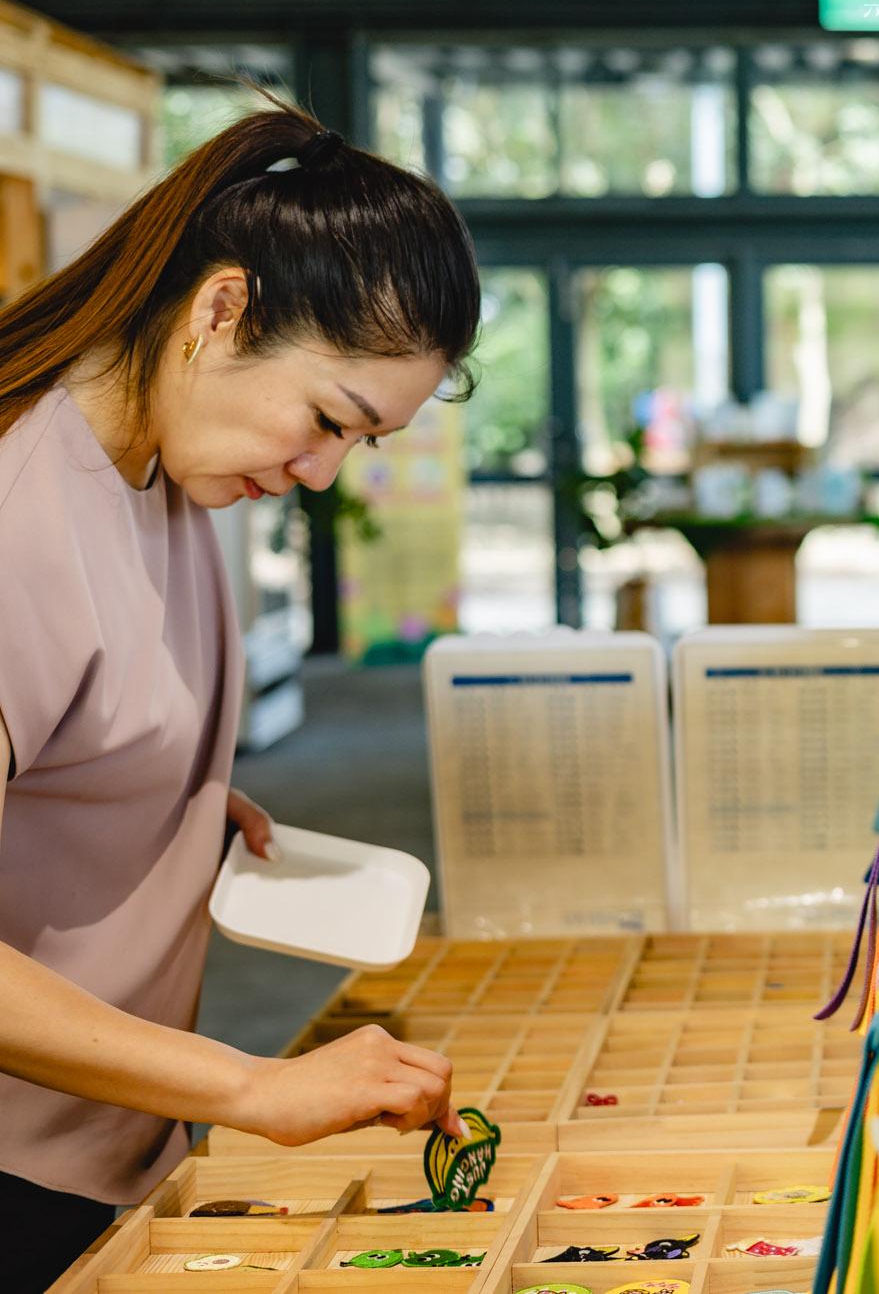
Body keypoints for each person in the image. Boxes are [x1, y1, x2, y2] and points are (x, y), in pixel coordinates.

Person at [0, 98, 482, 1287]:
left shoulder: (159, 470)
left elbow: (74, 708)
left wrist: (154, 800)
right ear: (220, 312)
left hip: (96, 1153)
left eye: (358, 447)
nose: (320, 473)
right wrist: (255, 1086)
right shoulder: (20, 515)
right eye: (328, 420)